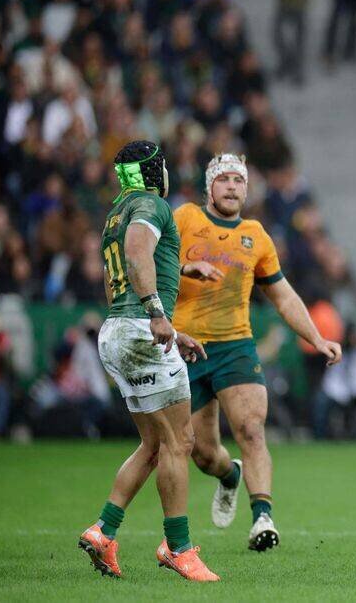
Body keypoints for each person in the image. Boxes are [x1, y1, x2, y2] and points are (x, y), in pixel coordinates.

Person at [173, 153, 342, 552]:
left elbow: (281, 294)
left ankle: (262, 517)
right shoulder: (184, 220)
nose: (232, 186)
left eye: (239, 180)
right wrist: (183, 270)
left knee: (251, 428)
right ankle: (229, 475)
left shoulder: (256, 235)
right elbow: (153, 262)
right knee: (201, 452)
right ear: (209, 187)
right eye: (224, 179)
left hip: (235, 344)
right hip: (187, 348)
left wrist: (316, 338)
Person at [78, 140, 219, 582]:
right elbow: (140, 252)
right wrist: (159, 316)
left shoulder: (115, 214)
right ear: (156, 170)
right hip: (141, 329)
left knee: (155, 445)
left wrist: (170, 326)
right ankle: (178, 548)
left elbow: (122, 276)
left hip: (117, 332)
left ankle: (104, 530)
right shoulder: (151, 205)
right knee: (181, 442)